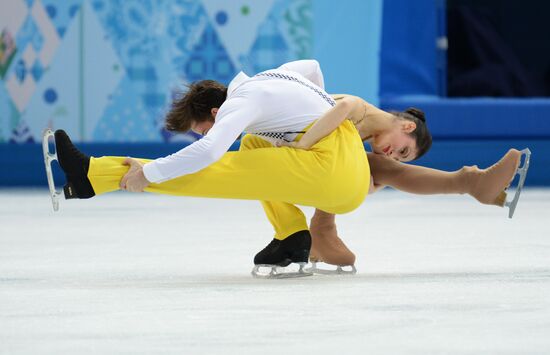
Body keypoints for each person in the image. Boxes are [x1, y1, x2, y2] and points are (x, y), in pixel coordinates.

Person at [50, 60, 431, 277]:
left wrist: (148, 173)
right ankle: (293, 236)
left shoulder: (243, 101)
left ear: (217, 111)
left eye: (202, 128)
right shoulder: (272, 77)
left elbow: (210, 152)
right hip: (341, 164)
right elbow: (313, 69)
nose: (209, 133)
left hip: (334, 169)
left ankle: (93, 175)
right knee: (252, 146)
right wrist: (311, 115)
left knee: (221, 169)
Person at [278, 94, 524, 268]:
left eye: (399, 157)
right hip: (278, 144)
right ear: (407, 126)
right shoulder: (356, 108)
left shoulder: (360, 136)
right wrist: (302, 145)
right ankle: (472, 183)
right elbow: (343, 108)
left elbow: (358, 181)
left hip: (294, 154)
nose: (392, 155)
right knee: (380, 168)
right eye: (402, 151)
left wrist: (364, 179)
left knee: (380, 168)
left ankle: (473, 183)